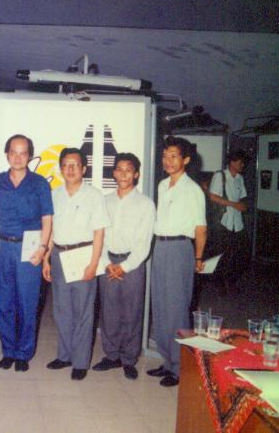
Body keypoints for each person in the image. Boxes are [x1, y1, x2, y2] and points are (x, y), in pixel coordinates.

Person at [43, 147, 108, 381]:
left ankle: (80, 362)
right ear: (60, 169)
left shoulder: (94, 196)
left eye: (75, 165)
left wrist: (93, 264)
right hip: (59, 255)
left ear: (84, 168)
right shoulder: (55, 195)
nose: (70, 169)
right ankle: (64, 356)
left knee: (83, 312)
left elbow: (99, 232)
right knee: (62, 311)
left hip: (83, 256)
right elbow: (50, 230)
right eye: (66, 165)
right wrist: (46, 259)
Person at [148, 136, 207, 386]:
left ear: (186, 159)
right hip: (160, 247)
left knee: (177, 308)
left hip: (180, 248)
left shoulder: (192, 190)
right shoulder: (163, 185)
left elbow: (201, 228)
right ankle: (167, 360)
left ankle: (180, 367)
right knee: (161, 307)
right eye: (165, 156)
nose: (168, 161)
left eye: (174, 156)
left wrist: (198, 257)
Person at [0, 134, 53, 372]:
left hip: (30, 247)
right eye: (13, 152)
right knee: (4, 302)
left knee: (27, 302)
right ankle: (8, 351)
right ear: (7, 154)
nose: (18, 157)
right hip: (3, 247)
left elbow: (47, 218)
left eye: (23, 153)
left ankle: (24, 353)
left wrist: (43, 248)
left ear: (29, 156)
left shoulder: (39, 183)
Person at [91, 153, 155, 380]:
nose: (124, 174)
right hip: (108, 261)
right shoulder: (104, 201)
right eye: (119, 169)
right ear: (114, 173)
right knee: (109, 312)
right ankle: (111, 356)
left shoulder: (145, 204)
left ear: (136, 174)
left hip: (132, 264)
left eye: (129, 170)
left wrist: (124, 267)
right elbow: (99, 235)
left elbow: (144, 242)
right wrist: (106, 263)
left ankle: (129, 359)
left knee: (132, 312)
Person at [208, 150, 248, 287]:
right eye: (240, 162)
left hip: (237, 222)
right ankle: (219, 283)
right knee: (221, 254)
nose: (242, 165)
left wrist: (243, 205)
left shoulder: (240, 178)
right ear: (232, 162)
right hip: (223, 222)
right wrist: (233, 204)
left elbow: (242, 197)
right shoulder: (220, 176)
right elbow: (212, 196)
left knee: (238, 254)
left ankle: (230, 281)